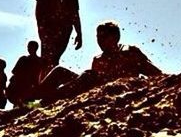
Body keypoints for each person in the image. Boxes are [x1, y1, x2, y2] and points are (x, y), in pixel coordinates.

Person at [34, 21, 163, 104]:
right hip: (93, 89)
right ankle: (32, 99)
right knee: (60, 71)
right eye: (98, 37)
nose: (99, 41)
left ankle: (47, 100)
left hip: (117, 93)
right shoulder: (98, 59)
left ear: (114, 37)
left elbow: (155, 73)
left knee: (88, 75)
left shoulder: (129, 52)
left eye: (103, 37)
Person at [7, 41, 45, 108]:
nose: (28, 49)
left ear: (35, 48)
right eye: (28, 47)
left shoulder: (26, 59)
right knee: (24, 105)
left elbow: (15, 72)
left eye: (30, 47)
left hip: (26, 87)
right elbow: (14, 72)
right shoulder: (38, 61)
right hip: (23, 87)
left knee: (26, 105)